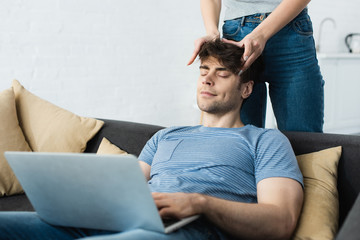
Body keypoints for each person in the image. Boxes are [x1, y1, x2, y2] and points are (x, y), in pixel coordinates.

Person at [0, 40, 303, 240]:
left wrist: (200, 204)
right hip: (127, 220)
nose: (207, 80)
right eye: (204, 71)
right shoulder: (165, 136)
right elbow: (126, 187)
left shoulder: (265, 141)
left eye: (222, 73)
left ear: (246, 89)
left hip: (192, 228)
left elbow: (281, 221)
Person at [188, 0, 324, 132]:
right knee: (238, 142)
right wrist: (212, 32)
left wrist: (261, 34)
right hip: (236, 37)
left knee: (303, 140)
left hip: (290, 31)